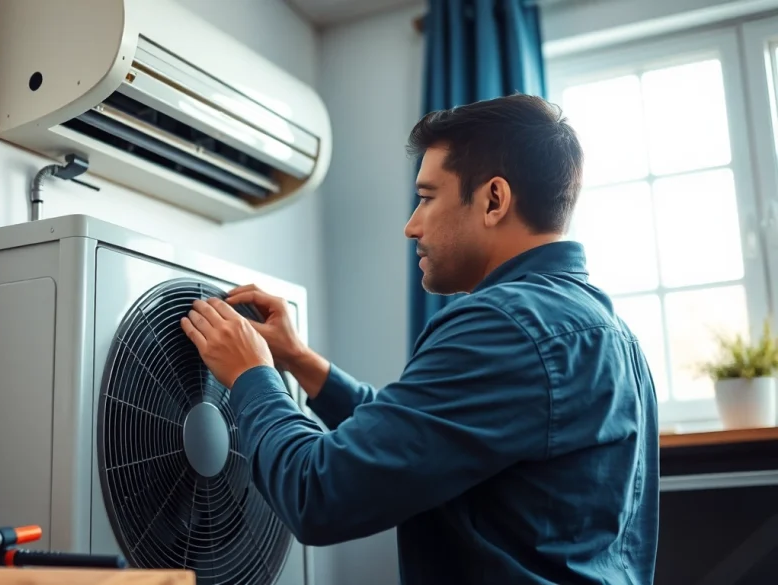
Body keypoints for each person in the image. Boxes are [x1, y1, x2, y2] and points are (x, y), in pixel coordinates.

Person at [179, 94, 659, 584]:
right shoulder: (614, 334)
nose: (411, 226)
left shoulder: (501, 325)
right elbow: (423, 435)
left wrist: (251, 376)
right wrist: (300, 361)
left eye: (427, 198)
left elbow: (318, 494)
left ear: (494, 199)